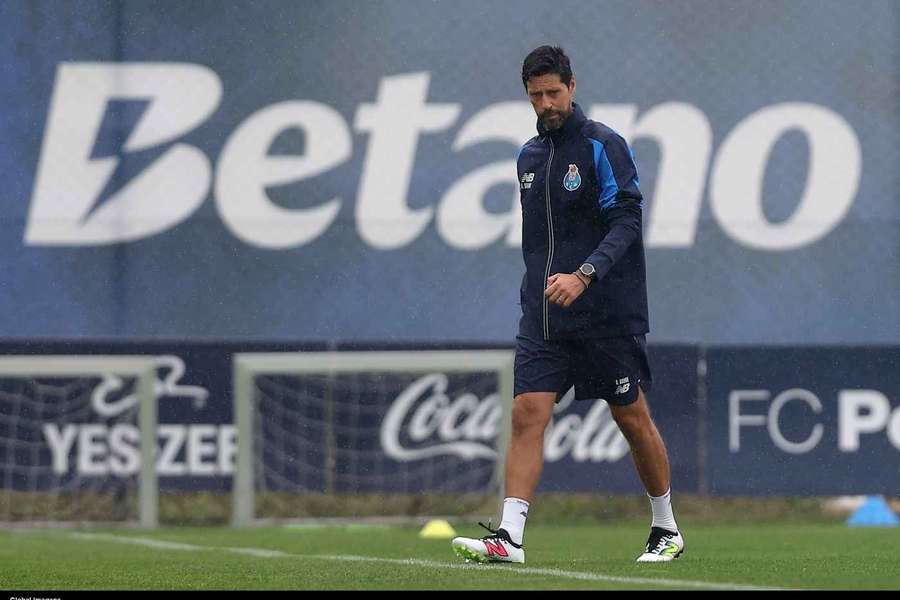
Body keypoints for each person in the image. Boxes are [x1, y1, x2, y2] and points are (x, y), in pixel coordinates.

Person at [451, 45, 684, 565]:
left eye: (554, 92)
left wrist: (584, 276)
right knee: (527, 413)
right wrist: (543, 289)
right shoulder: (528, 158)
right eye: (536, 95)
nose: (546, 103)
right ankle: (509, 539)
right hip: (545, 317)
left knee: (631, 418)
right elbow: (539, 242)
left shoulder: (604, 145)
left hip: (604, 313)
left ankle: (665, 527)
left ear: (572, 87)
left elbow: (627, 220)